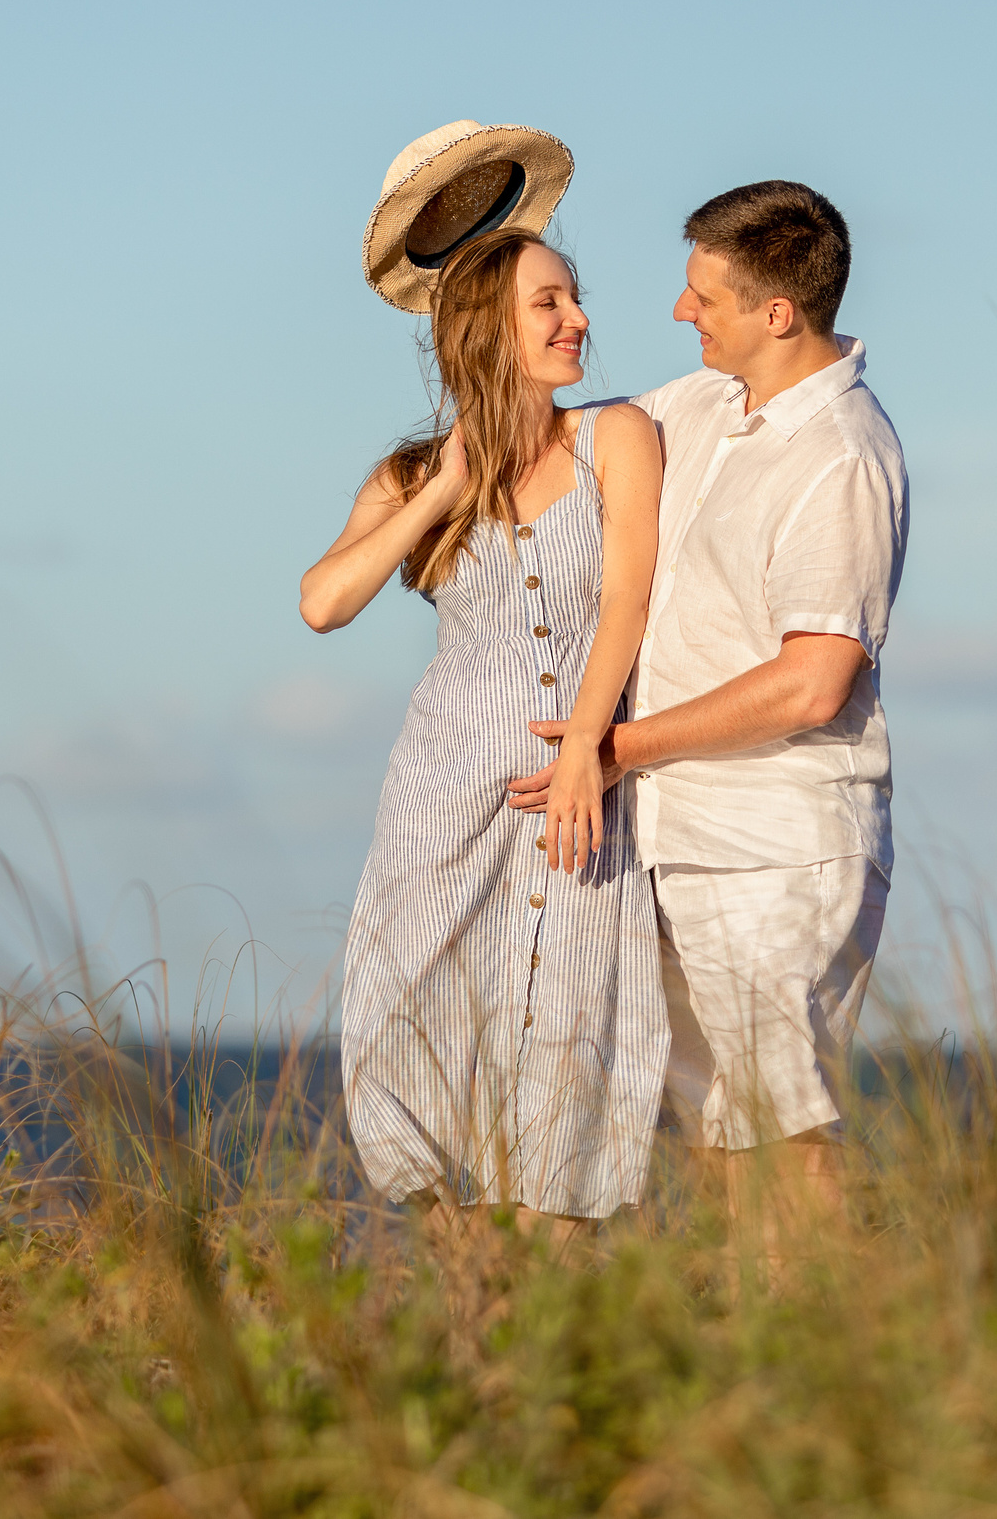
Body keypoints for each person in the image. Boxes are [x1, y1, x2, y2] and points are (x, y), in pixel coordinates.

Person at [511, 179, 907, 1253]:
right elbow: (548, 437)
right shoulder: (699, 408)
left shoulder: (841, 456)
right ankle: (758, 1371)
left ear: (777, 314)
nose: (682, 313)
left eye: (703, 297)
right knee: (719, 1136)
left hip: (778, 844)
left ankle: (821, 1383)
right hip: (673, 838)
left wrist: (614, 745)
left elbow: (812, 681)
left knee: (784, 1137)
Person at [303, 121, 667, 1225]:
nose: (578, 320)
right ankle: (466, 1287)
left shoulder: (620, 439)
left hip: (577, 807)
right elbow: (322, 604)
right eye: (547, 304)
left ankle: (550, 1319)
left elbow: (627, 606)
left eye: (573, 297)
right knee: (404, 1046)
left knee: (566, 1052)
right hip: (440, 800)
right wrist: (439, 487)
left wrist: (585, 759)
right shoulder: (411, 473)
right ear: (485, 331)